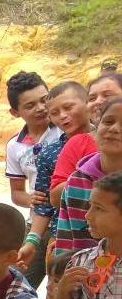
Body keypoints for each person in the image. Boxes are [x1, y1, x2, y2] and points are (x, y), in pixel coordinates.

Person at [21, 81, 91, 269]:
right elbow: (44, 203)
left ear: (87, 102)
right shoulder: (49, 153)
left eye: (68, 107)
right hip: (63, 238)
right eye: (54, 113)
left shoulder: (108, 140)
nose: (62, 116)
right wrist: (32, 241)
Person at [4, 71, 63, 289]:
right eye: (30, 105)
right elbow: (16, 193)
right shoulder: (14, 146)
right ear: (15, 112)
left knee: (61, 288)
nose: (41, 108)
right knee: (17, 283)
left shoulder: (64, 130)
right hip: (37, 224)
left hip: (67, 223)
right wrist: (30, 199)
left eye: (44, 100)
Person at [55, 97, 122, 255]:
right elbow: (66, 241)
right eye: (108, 121)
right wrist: (62, 269)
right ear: (96, 128)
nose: (114, 129)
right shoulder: (76, 182)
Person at [48, 74, 121, 209]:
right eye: (92, 98)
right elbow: (55, 197)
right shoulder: (78, 142)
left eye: (107, 95)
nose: (98, 101)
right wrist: (87, 178)